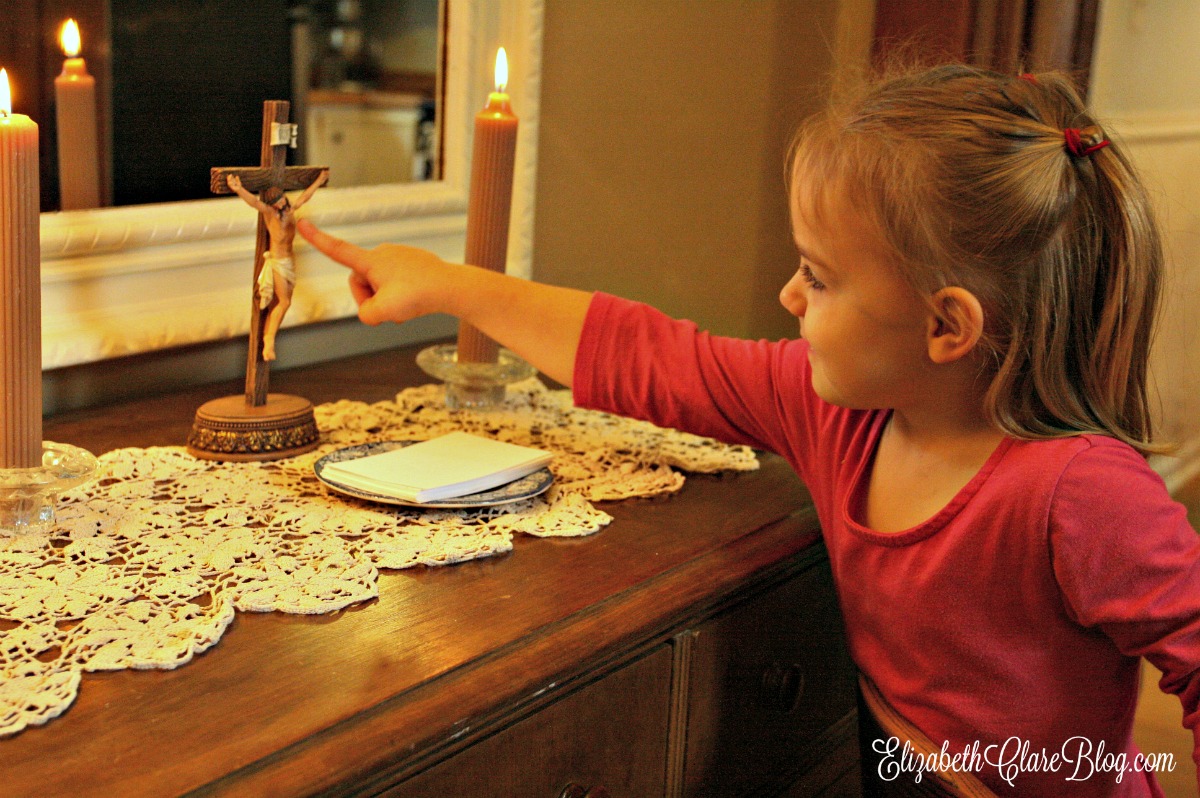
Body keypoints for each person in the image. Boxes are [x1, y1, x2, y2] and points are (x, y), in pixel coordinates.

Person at [298, 65, 1200, 796]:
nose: (789, 297)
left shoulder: (1082, 493)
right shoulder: (834, 415)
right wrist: (451, 286)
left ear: (946, 327)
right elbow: (651, 356)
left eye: (818, 275)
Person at [227, 170, 329, 361]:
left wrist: (319, 180)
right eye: (278, 202)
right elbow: (254, 203)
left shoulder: (290, 211)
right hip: (278, 262)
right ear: (273, 204)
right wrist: (238, 189)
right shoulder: (270, 214)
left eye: (282, 199)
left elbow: (305, 196)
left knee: (284, 303)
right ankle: (269, 343)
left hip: (290, 261)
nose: (282, 203)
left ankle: (269, 337)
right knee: (284, 302)